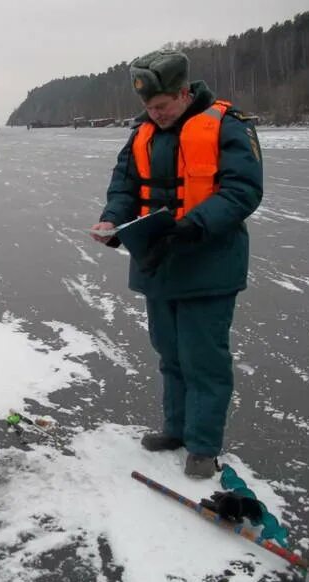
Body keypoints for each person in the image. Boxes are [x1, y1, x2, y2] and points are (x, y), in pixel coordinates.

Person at [91, 50, 263, 478]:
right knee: (169, 353)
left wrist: (194, 225)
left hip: (209, 263)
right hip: (157, 262)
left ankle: (203, 446)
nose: (155, 114)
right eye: (148, 108)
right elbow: (124, 185)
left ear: (184, 93)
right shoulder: (141, 133)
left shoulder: (228, 125)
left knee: (203, 357)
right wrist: (113, 219)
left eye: (162, 106)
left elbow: (244, 190)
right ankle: (176, 428)